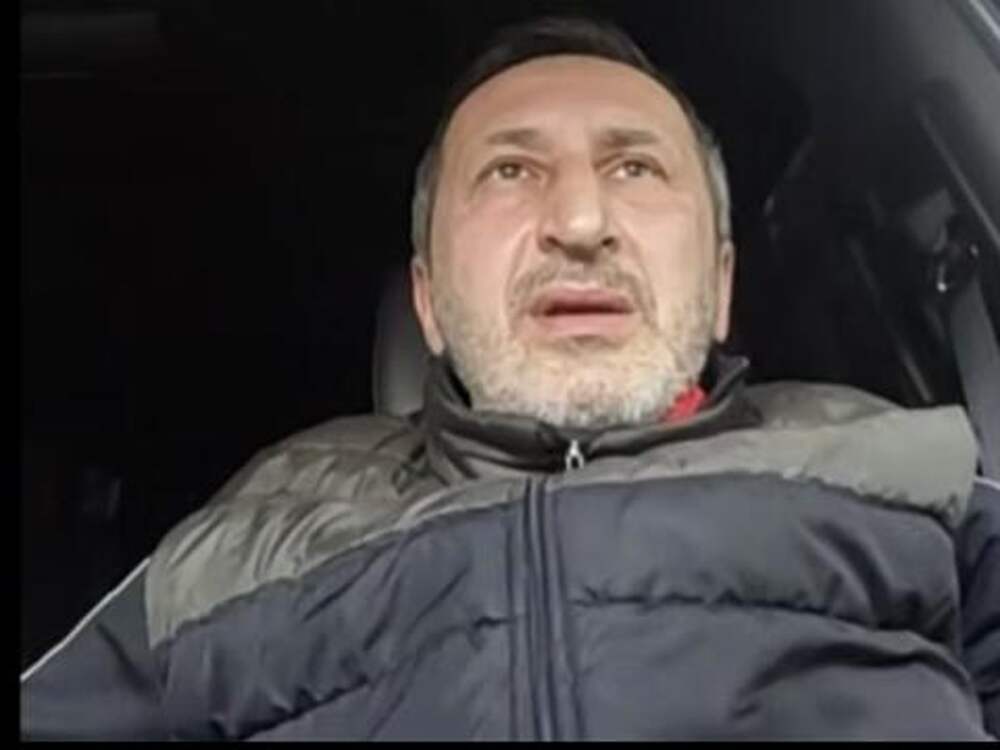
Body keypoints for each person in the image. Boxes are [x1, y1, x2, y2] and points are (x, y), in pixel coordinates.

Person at [20, 16, 999, 740]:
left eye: (634, 168)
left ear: (721, 284)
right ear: (429, 301)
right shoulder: (252, 536)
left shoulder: (906, 478)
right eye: (510, 172)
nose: (579, 222)